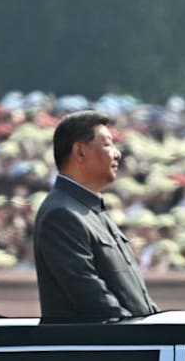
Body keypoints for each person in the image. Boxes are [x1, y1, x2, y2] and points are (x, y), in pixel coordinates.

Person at [33, 111, 157, 323]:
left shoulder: (90, 209)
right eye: (107, 144)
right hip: (98, 351)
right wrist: (142, 336)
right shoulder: (62, 214)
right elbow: (93, 299)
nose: (117, 154)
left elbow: (136, 298)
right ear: (80, 152)